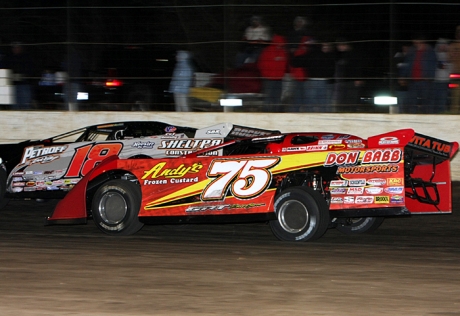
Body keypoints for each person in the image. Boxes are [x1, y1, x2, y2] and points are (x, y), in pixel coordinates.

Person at [292, 41, 336, 112]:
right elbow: (332, 70)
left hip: (312, 80)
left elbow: (295, 62)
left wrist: (293, 54)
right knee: (323, 102)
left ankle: (310, 117)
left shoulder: (310, 55)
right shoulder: (329, 56)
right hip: (323, 81)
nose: (326, 48)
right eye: (325, 46)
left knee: (310, 102)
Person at [399, 34, 437, 114]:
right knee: (411, 102)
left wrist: (430, 77)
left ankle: (426, 118)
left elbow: (433, 64)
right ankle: (412, 119)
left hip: (425, 81)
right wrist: (402, 76)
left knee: (426, 101)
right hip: (413, 80)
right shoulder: (412, 51)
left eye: (417, 42)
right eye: (414, 42)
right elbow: (406, 64)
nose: (415, 44)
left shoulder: (429, 51)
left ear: (422, 41)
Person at [257, 34, 288, 112]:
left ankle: (276, 113)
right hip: (269, 79)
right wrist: (265, 74)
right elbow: (261, 64)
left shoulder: (282, 52)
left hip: (279, 79)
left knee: (277, 97)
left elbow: (285, 64)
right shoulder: (268, 51)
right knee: (268, 97)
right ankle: (266, 113)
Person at [334, 38, 364, 111]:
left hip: (351, 81)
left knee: (351, 100)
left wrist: (358, 78)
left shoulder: (354, 54)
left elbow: (358, 67)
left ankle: (351, 112)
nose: (339, 47)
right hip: (341, 81)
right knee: (341, 100)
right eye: (338, 45)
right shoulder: (339, 55)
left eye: (341, 45)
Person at [3, 42, 35, 110]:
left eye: (17, 47)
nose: (16, 49)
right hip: (12, 85)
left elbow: (32, 69)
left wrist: (24, 75)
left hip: (24, 84)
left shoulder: (27, 57)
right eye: (14, 47)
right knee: (14, 105)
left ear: (21, 48)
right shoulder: (8, 58)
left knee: (25, 105)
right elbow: (4, 69)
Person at [433, 38, 452, 113]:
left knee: (442, 99)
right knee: (435, 99)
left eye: (444, 45)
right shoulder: (434, 55)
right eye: (440, 45)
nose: (442, 46)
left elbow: (450, 67)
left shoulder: (449, 55)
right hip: (435, 81)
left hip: (445, 81)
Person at [449, 25, 460, 113]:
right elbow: (449, 58)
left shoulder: (452, 46)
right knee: (455, 99)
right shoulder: (452, 46)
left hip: (455, 75)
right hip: (456, 75)